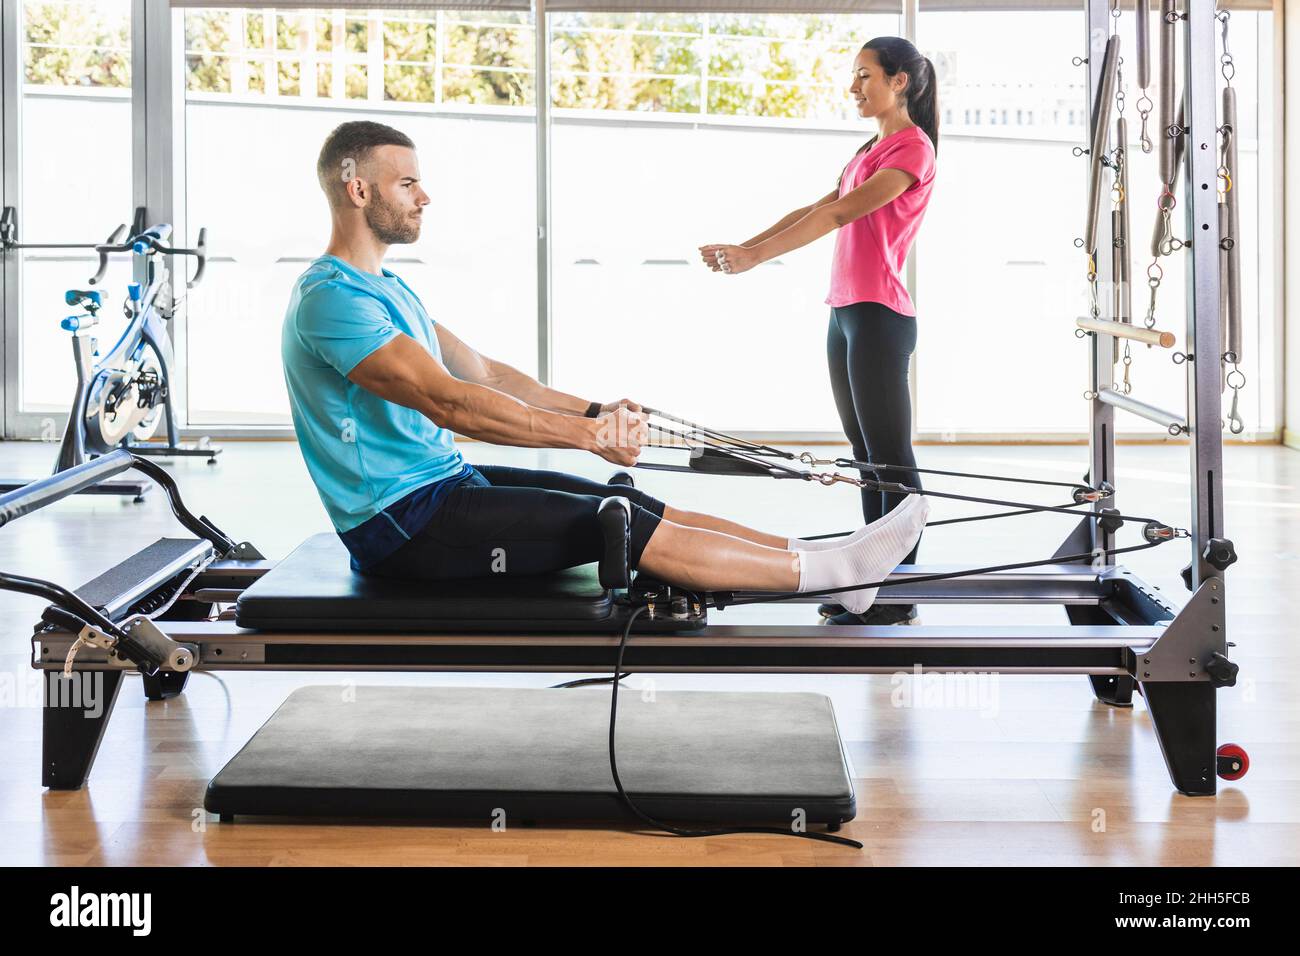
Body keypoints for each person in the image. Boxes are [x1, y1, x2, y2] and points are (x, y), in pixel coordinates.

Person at [280, 120, 927, 614]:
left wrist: (597, 412)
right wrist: (586, 438)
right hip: (401, 527)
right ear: (357, 188)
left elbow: (489, 375)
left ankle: (826, 558)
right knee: (622, 525)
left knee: (629, 499)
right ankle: (835, 573)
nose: (426, 196)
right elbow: (448, 402)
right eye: (406, 183)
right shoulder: (333, 300)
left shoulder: (385, 289)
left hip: (443, 488)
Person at [699, 37, 938, 626]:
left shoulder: (913, 149)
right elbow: (816, 207)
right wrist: (746, 248)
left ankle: (900, 587)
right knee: (864, 455)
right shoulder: (870, 148)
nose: (854, 87)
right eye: (854, 76)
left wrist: (755, 259)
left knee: (890, 456)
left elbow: (838, 216)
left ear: (900, 81)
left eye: (865, 76)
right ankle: (866, 574)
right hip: (846, 312)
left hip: (881, 314)